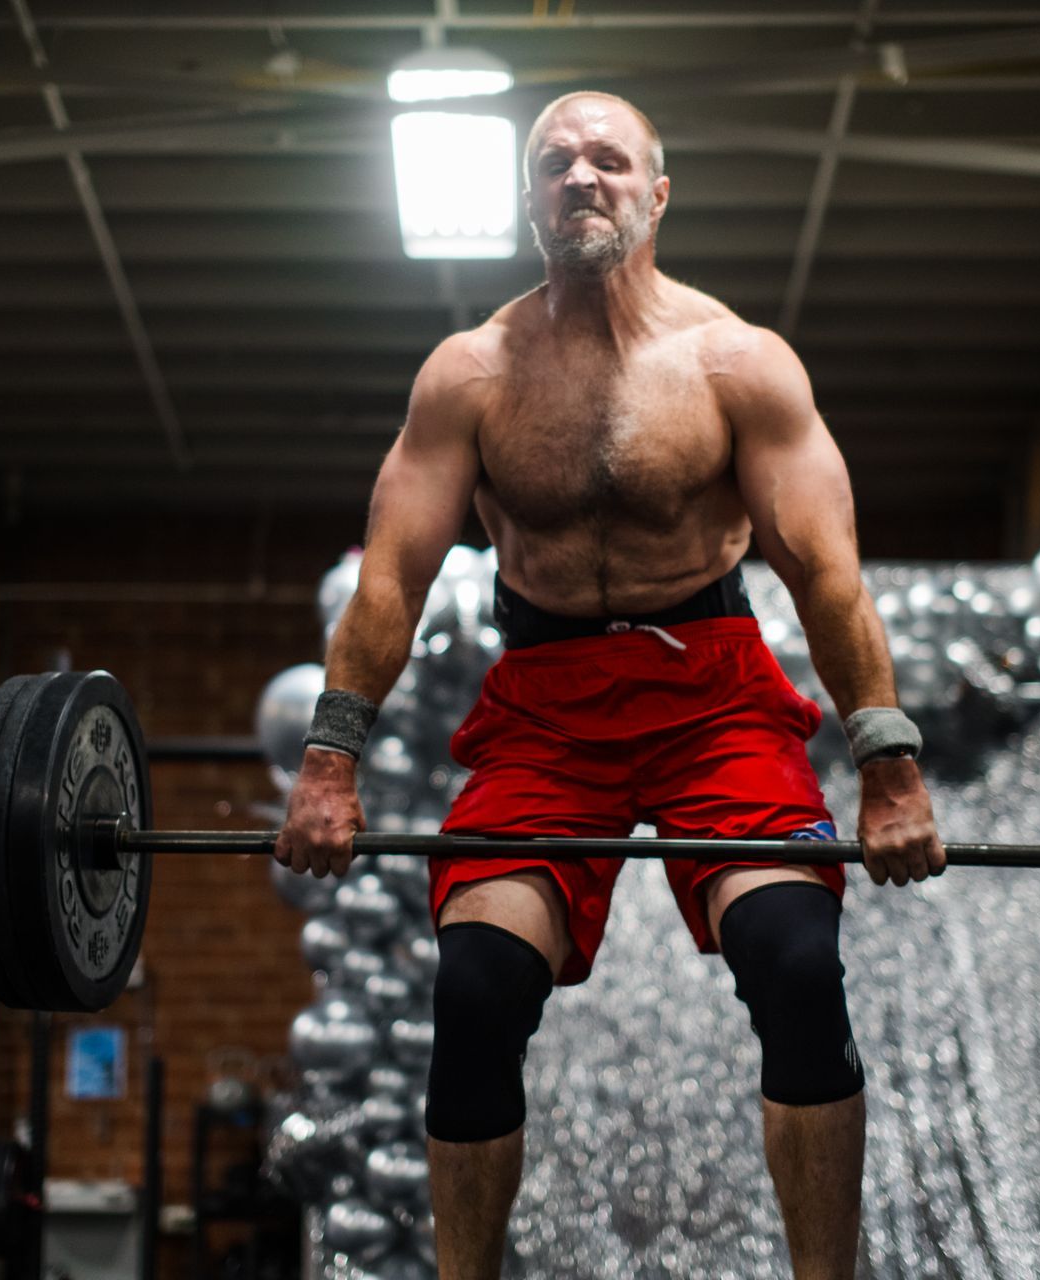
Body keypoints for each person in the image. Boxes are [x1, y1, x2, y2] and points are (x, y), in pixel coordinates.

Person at [275, 90, 945, 1280]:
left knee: (796, 961)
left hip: (717, 697)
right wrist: (329, 763)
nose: (581, 178)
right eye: (554, 163)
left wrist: (889, 770)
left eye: (609, 160)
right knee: (478, 988)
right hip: (544, 705)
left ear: (657, 192)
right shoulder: (470, 374)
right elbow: (392, 579)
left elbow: (827, 577)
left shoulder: (739, 363)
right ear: (529, 197)